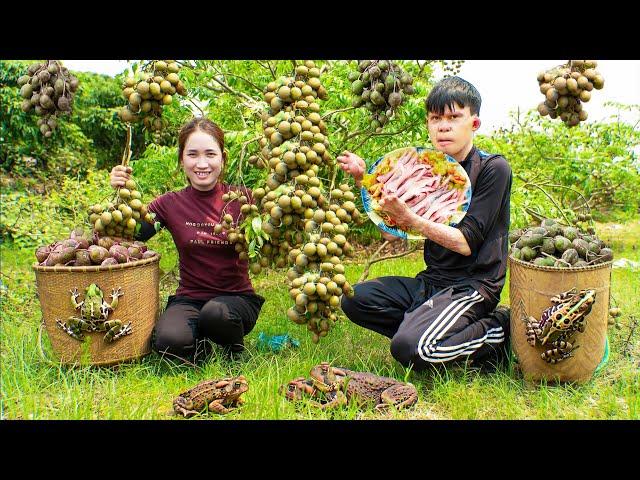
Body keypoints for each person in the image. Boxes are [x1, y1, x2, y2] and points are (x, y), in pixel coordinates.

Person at [337, 76, 512, 371]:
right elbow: (391, 234)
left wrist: (411, 218)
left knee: (411, 350)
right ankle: (426, 331)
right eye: (435, 118)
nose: (443, 126)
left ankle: (497, 331)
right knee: (355, 300)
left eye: (454, 117)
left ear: (474, 124)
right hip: (432, 282)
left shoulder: (493, 168)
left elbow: (465, 243)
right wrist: (363, 180)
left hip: (472, 286)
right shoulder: (428, 167)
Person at [110, 117, 264, 362]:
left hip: (236, 300)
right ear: (182, 159)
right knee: (167, 342)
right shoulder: (170, 204)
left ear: (223, 159)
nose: (202, 163)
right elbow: (131, 235)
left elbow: (283, 228)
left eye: (210, 154)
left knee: (216, 315)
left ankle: (233, 351)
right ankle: (200, 347)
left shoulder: (244, 200)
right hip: (190, 298)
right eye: (193, 154)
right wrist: (118, 196)